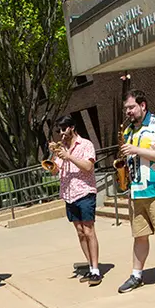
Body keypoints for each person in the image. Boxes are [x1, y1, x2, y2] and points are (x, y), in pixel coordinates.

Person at [116, 89, 155, 293]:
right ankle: (136, 275)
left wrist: (136, 150)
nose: (128, 112)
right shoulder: (128, 132)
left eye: (131, 107)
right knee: (139, 235)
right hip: (136, 190)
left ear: (143, 105)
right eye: (126, 109)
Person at [47, 115, 101, 285]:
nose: (61, 133)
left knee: (88, 230)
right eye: (59, 130)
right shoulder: (62, 148)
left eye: (64, 129)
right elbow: (55, 171)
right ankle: (90, 266)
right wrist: (53, 159)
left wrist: (68, 156)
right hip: (69, 195)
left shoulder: (86, 145)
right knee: (79, 232)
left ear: (72, 127)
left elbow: (88, 167)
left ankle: (96, 269)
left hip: (84, 192)